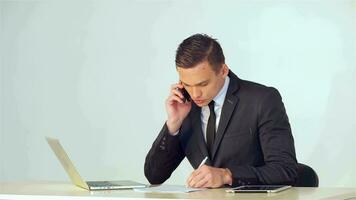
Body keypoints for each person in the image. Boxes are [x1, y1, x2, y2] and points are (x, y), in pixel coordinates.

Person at [144, 34, 298, 188]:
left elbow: (285, 170)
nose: (195, 94)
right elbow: (155, 175)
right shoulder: (186, 108)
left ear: (223, 70)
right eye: (187, 85)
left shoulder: (262, 100)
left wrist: (227, 175)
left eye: (203, 84)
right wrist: (174, 123)